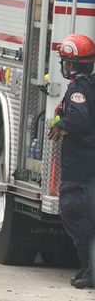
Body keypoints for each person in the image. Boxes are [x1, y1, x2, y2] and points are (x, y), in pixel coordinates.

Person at [47, 33, 95, 289]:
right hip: (88, 164)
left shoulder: (78, 88)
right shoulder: (90, 85)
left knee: (74, 212)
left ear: (72, 64)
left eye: (66, 61)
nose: (64, 66)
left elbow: (78, 120)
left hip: (80, 166)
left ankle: (89, 269)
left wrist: (60, 125)